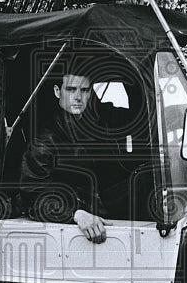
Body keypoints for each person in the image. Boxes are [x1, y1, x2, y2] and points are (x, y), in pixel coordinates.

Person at [19, 69, 146, 243]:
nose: (78, 97)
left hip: (103, 201)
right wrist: (75, 213)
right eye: (71, 90)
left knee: (149, 175)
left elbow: (139, 115)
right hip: (79, 208)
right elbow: (34, 198)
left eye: (84, 90)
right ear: (57, 92)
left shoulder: (99, 121)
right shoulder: (43, 143)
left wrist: (135, 76)